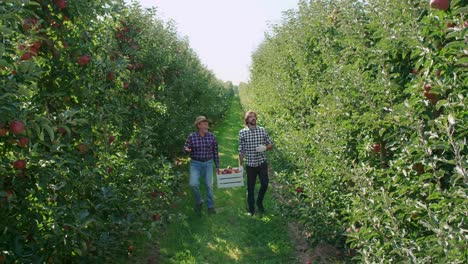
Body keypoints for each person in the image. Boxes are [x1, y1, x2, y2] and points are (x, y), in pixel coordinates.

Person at [238, 110, 273, 215]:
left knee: (265, 184)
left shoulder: (262, 130)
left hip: (261, 162)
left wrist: (265, 147)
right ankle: (251, 209)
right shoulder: (242, 132)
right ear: (247, 120)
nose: (253, 118)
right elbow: (241, 150)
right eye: (250, 117)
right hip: (250, 164)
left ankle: (259, 202)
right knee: (250, 187)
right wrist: (239, 165)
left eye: (254, 117)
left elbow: (271, 144)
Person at [184, 116, 220, 214]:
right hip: (195, 164)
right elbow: (186, 147)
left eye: (207, 124)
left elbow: (215, 152)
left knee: (209, 185)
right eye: (204, 124)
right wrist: (186, 150)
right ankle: (199, 201)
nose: (206, 126)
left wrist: (217, 166)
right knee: (193, 184)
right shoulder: (192, 136)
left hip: (208, 163)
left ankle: (210, 206)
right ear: (198, 125)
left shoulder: (211, 136)